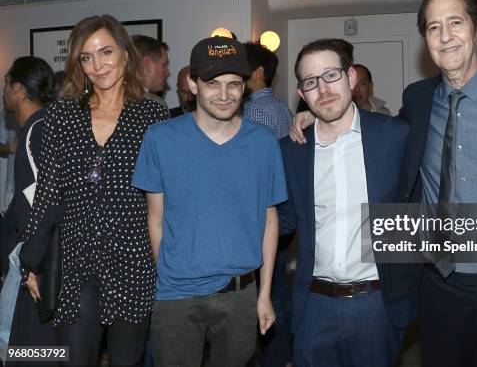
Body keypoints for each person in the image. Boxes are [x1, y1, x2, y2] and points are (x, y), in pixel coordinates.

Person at [290, 0, 477, 367]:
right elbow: (373, 136)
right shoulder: (419, 100)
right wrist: (317, 114)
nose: (445, 36)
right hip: (440, 289)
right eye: (433, 27)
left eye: (455, 22)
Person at [20, 14, 168, 366]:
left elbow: (166, 198)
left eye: (105, 52)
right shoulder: (62, 116)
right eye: (86, 57)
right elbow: (47, 193)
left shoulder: (152, 117)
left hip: (134, 260)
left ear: (125, 54)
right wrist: (31, 261)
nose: (97, 65)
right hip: (75, 261)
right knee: (74, 359)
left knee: (127, 360)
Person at [132, 36, 286, 367]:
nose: (224, 94)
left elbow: (269, 218)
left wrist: (264, 295)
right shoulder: (160, 138)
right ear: (192, 83)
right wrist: (169, 276)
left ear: (245, 86)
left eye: (234, 84)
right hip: (176, 296)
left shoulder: (262, 142)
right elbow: (155, 218)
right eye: (212, 83)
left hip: (241, 294)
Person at [279, 39, 417, 367]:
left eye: (331, 75)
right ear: (301, 93)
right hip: (313, 305)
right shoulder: (291, 150)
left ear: (351, 78)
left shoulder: (394, 135)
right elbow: (282, 220)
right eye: (311, 81)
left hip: (376, 302)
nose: (323, 89)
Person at [2, 57, 57, 367]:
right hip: (34, 252)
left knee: (28, 345)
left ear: (19, 89)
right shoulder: (42, 126)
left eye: (6, 84)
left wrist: (35, 263)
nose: (4, 92)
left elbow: (48, 202)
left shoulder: (37, 131)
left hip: (38, 255)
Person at [242, 42, 293, 367]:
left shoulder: (256, 112)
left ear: (258, 73)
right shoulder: (281, 109)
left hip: (260, 217)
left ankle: (273, 358)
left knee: (261, 295)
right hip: (280, 212)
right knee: (276, 292)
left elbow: (251, 172)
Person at [132, 34, 171, 108]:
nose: (168, 73)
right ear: (148, 65)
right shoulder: (154, 105)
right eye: (164, 65)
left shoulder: (108, 100)